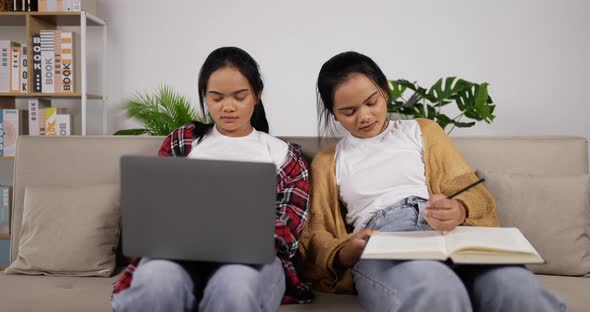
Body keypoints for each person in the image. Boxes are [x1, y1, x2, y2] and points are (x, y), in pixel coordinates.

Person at [296, 51, 565, 312]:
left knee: (514, 286)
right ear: (334, 113)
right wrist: (346, 251)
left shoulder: (422, 130)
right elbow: (314, 236)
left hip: (448, 234)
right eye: (349, 111)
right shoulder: (328, 161)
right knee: (435, 288)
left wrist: (458, 209)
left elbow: (472, 192)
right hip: (384, 241)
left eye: (371, 102)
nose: (364, 116)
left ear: (385, 90)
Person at [112, 47, 312, 312]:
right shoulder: (182, 142)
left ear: (257, 94)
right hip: (177, 256)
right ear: (205, 97)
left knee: (235, 288)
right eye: (216, 98)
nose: (228, 107)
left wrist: (238, 238)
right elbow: (156, 210)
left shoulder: (284, 155)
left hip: (250, 262)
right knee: (157, 282)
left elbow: (290, 232)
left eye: (240, 97)